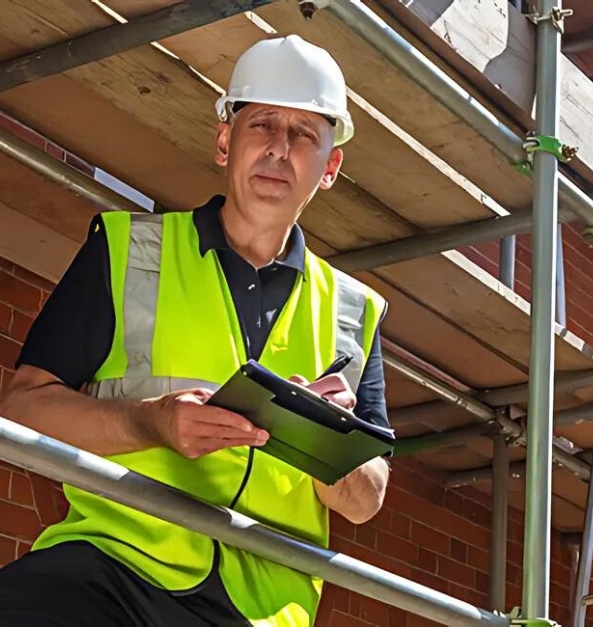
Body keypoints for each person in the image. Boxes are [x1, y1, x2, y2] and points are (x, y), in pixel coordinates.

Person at [0, 35, 390, 626]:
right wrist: (149, 420)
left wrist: (328, 441)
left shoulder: (354, 313)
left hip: (263, 606)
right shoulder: (129, 251)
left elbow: (366, 503)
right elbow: (22, 412)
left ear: (330, 167)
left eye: (305, 134)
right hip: (113, 569)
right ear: (224, 141)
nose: (280, 150)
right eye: (261, 125)